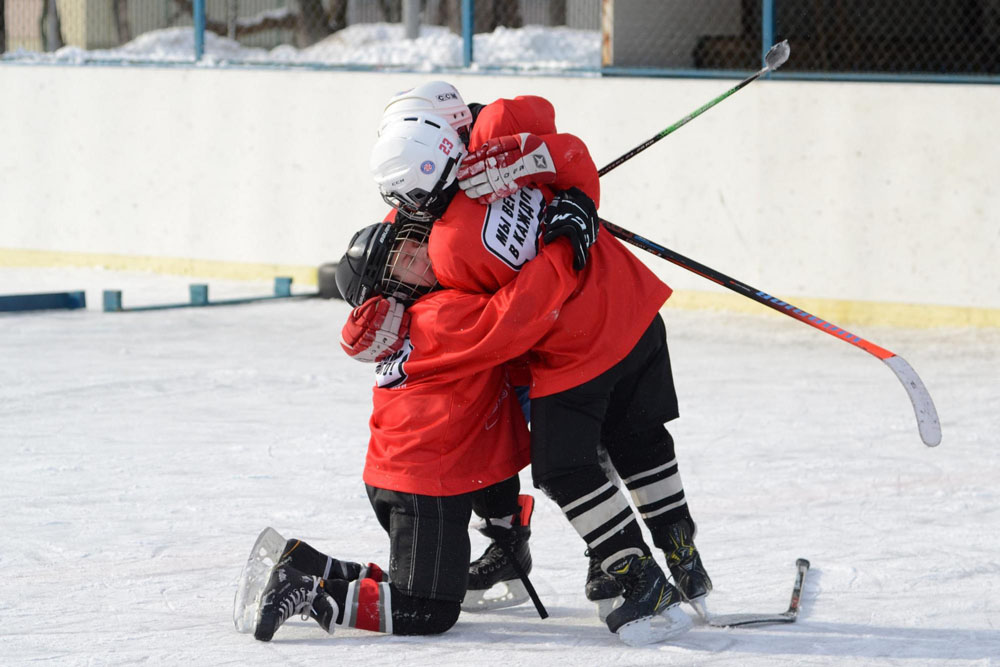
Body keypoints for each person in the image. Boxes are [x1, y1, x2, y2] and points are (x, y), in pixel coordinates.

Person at [364, 106, 712, 644]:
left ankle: (632, 573)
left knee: (563, 466)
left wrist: (561, 236)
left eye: (410, 194)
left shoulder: (451, 249)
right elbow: (573, 155)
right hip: (634, 308)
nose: (406, 208)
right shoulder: (494, 138)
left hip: (578, 350)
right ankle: (681, 552)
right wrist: (575, 201)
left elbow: (514, 321)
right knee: (636, 436)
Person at [252, 211, 589, 641]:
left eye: (409, 243)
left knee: (417, 583)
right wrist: (561, 249)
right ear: (390, 286)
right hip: (425, 486)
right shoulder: (445, 315)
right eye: (403, 257)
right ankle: (307, 591)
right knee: (429, 609)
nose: (417, 250)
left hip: (402, 475)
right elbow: (521, 310)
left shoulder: (409, 316)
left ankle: (310, 564)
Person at [350, 80, 615, 613]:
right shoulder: (421, 186)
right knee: (487, 436)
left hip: (564, 327)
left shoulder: (493, 130)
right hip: (503, 340)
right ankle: (507, 545)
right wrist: (368, 310)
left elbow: (549, 131)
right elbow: (388, 253)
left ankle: (608, 552)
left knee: (580, 445)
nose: (412, 208)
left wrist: (550, 188)